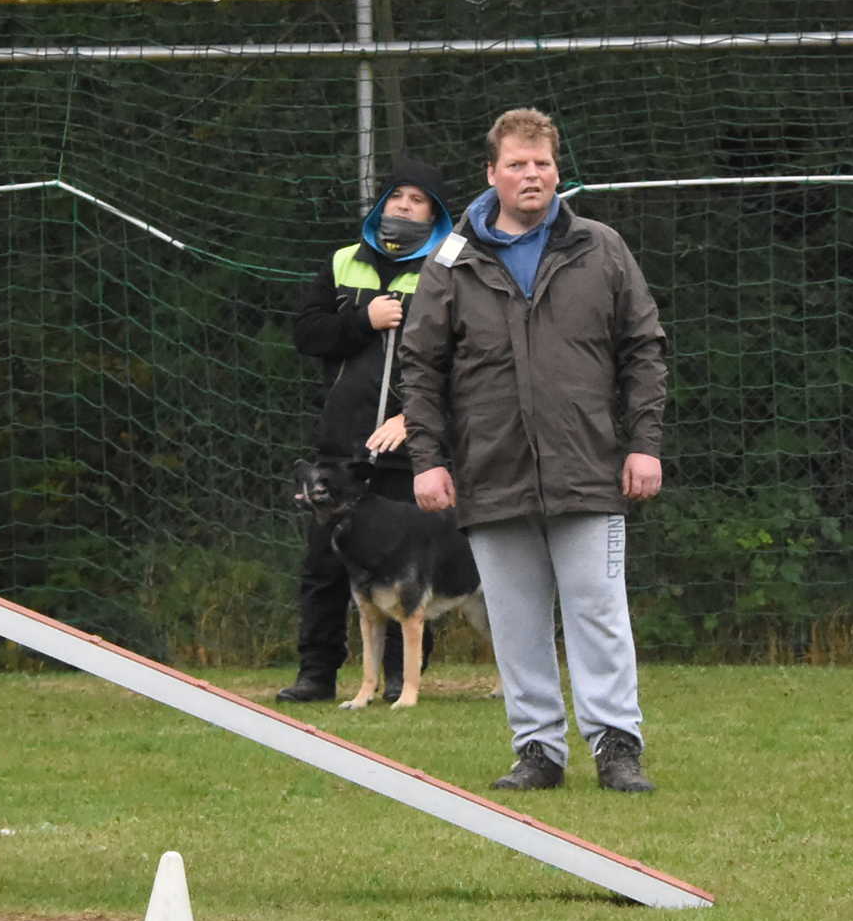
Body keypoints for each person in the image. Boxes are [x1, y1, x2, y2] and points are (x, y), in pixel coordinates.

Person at [399, 109, 667, 792]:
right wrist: (428, 460)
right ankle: (538, 751)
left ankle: (616, 746)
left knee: (599, 613)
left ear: (557, 171)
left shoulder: (601, 247)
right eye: (517, 164)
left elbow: (643, 349)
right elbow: (421, 368)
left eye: (542, 163)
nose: (531, 175)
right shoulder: (450, 261)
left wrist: (644, 445)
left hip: (589, 467)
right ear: (491, 173)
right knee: (516, 624)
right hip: (490, 471)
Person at [277, 155, 454, 704]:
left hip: (407, 451)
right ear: (381, 204)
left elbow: (467, 359)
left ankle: (402, 678)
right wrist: (362, 321)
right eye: (397, 196)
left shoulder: (451, 268)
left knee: (407, 569)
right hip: (339, 449)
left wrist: (415, 417)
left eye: (417, 200)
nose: (404, 206)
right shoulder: (342, 262)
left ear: (435, 213)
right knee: (324, 567)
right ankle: (317, 674)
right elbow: (307, 334)